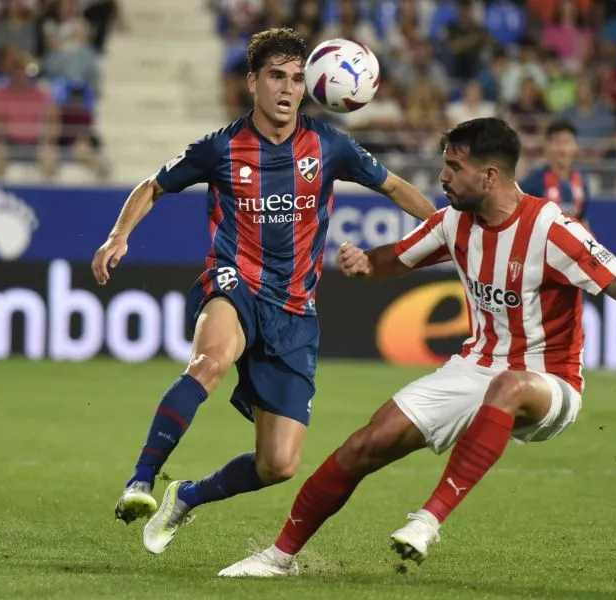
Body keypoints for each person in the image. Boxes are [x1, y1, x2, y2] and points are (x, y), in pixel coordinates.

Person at [216, 117, 616, 577]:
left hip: (550, 382)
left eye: (453, 168)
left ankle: (426, 521)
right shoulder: (455, 221)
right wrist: (363, 263)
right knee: (365, 444)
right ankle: (278, 556)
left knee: (510, 384)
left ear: (490, 174)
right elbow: (392, 261)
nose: (442, 178)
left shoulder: (554, 230)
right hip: (474, 365)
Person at [90, 27, 436, 554]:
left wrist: (447, 230)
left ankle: (185, 496)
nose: (288, 89)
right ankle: (141, 478)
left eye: (298, 79)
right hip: (234, 280)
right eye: (277, 76)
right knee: (210, 362)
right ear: (252, 80)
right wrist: (119, 235)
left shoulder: (329, 146)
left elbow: (393, 186)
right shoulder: (220, 148)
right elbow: (152, 186)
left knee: (279, 464)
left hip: (295, 309)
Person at [519, 120, 590, 225]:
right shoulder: (531, 184)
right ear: (546, 146)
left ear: (576, 147)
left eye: (567, 142)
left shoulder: (582, 181)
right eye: (557, 142)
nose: (563, 149)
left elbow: (582, 219)